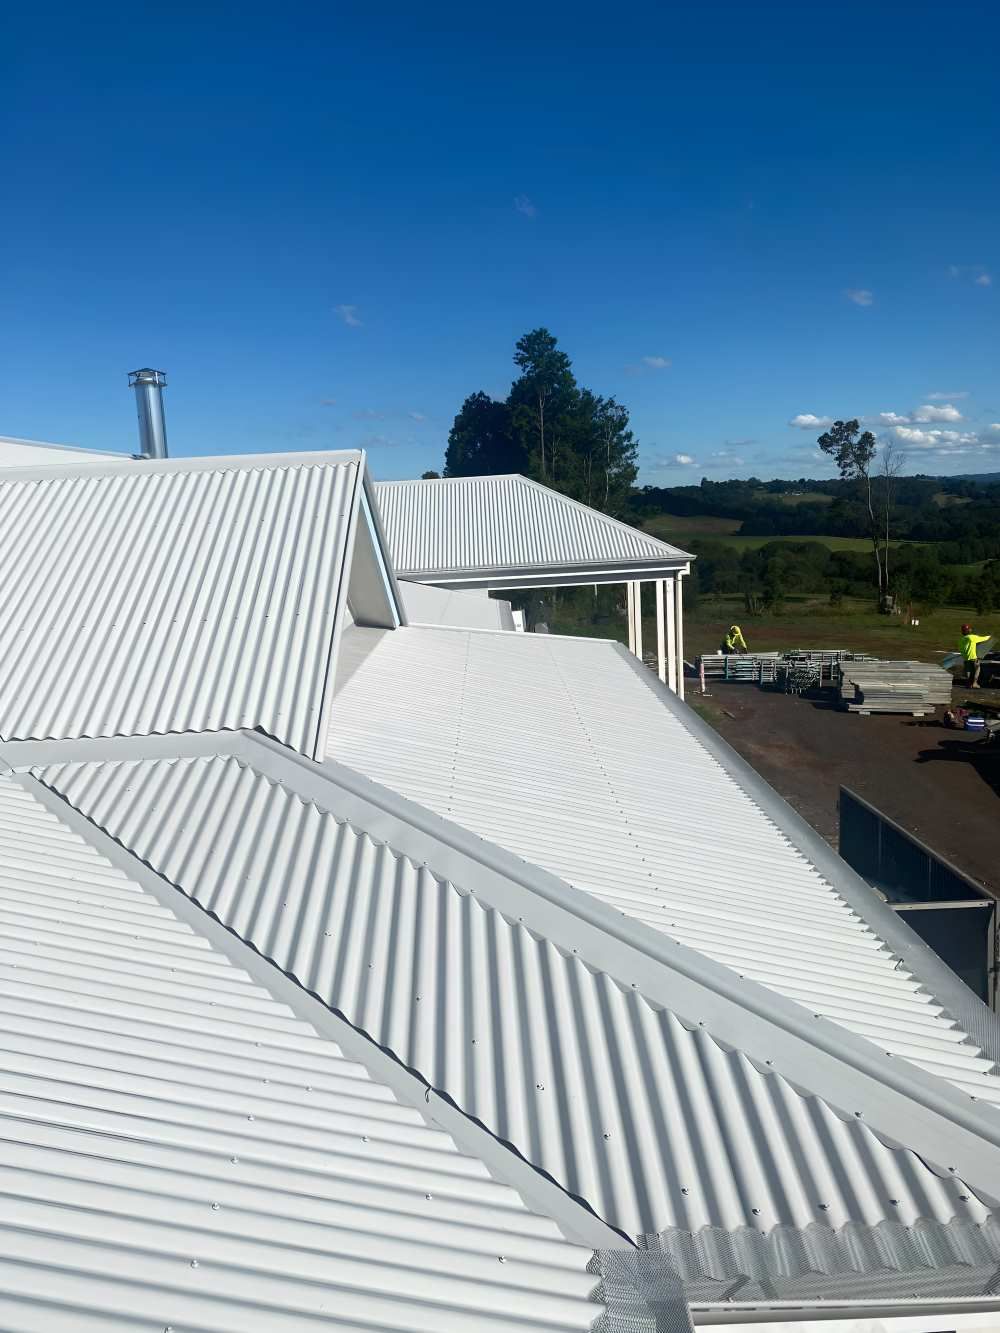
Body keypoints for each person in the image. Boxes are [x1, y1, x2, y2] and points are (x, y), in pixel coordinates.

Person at [960, 622, 991, 688]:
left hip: (966, 658)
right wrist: (990, 636)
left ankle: (969, 684)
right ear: (969, 630)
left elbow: (962, 649)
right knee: (977, 669)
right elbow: (984, 638)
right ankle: (974, 683)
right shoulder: (972, 637)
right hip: (973, 657)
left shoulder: (961, 639)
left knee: (968, 671)